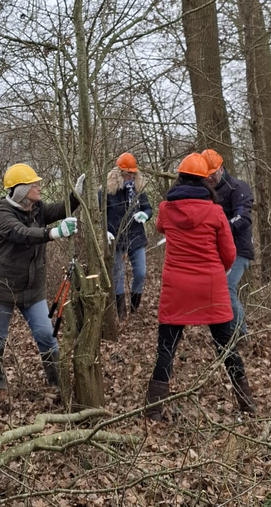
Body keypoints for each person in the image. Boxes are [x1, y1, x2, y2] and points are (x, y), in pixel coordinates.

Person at [146, 153, 256, 421]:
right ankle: (246, 402)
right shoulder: (216, 212)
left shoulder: (165, 209)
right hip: (211, 289)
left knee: (166, 349)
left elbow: (161, 227)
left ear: (179, 177)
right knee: (226, 346)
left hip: (177, 290)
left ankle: (153, 409)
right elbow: (229, 253)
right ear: (205, 181)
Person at [0, 163, 83, 390]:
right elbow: (22, 234)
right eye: (33, 184)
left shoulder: (37, 208)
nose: (39, 186)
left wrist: (76, 196)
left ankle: (56, 384)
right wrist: (53, 232)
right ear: (20, 190)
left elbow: (58, 210)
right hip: (2, 289)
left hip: (33, 289)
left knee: (47, 335)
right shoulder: (3, 213)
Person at [202, 149, 254, 337]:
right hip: (217, 250)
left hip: (239, 248)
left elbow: (243, 219)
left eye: (212, 173)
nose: (209, 178)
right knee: (214, 290)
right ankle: (224, 330)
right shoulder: (205, 192)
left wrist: (218, 228)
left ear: (221, 168)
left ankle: (240, 334)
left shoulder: (238, 188)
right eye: (205, 174)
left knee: (225, 287)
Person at [103, 152, 153, 319]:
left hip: (136, 237)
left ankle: (134, 307)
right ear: (119, 173)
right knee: (118, 275)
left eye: (133, 174)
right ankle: (120, 313)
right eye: (127, 174)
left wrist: (145, 215)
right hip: (115, 238)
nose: (130, 177)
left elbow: (148, 208)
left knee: (140, 272)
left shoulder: (138, 189)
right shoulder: (107, 191)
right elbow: (99, 215)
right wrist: (105, 232)